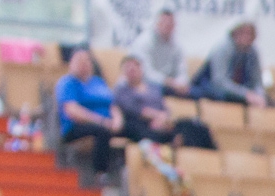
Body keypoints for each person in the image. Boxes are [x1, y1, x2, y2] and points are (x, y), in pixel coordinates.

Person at [114, 55, 216, 149]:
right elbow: (133, 109)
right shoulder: (122, 90)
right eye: (128, 68)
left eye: (135, 67)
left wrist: (164, 118)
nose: (132, 70)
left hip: (161, 121)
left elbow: (163, 107)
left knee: (196, 127)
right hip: (140, 123)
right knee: (138, 128)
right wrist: (157, 116)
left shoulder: (153, 88)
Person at [54, 49, 122, 183]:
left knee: (133, 127)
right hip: (77, 126)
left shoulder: (98, 82)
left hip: (107, 122)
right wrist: (101, 121)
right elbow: (72, 110)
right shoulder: (67, 83)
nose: (83, 64)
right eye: (79, 61)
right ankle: (101, 173)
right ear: (71, 64)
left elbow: (112, 105)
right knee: (102, 131)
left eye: (86, 61)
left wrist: (117, 121)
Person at [192, 21, 269, 108]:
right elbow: (219, 82)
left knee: (270, 104)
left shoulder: (253, 53)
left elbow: (257, 81)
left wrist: (259, 96)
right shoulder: (223, 49)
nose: (247, 37)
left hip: (240, 91)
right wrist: (246, 94)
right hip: (212, 88)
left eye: (250, 34)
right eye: (243, 33)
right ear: (235, 33)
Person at [138, 7, 192, 97]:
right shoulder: (144, 42)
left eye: (170, 24)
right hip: (150, 84)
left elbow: (182, 71)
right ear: (157, 24)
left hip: (172, 86)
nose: (168, 26)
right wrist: (167, 82)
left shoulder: (177, 46)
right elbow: (145, 73)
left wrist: (181, 83)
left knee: (197, 92)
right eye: (165, 23)